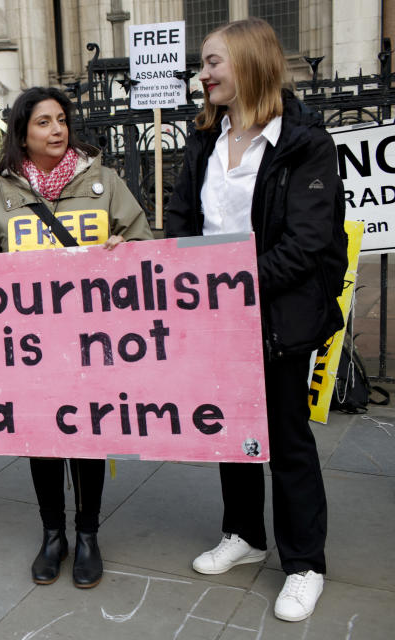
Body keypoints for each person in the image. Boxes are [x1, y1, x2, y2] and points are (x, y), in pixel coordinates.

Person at [165, 18, 344, 622]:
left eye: (213, 62)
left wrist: (229, 283)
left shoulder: (303, 144)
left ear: (248, 64)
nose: (203, 74)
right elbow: (184, 220)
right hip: (212, 314)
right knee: (229, 430)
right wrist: (188, 279)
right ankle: (243, 534)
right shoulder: (205, 139)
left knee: (287, 440)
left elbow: (309, 241)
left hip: (275, 316)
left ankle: (305, 564)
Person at [0, 87, 152, 589]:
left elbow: (144, 246)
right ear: (22, 134)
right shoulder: (0, 197)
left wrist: (122, 248)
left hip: (92, 346)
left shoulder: (104, 182)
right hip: (29, 352)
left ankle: (87, 534)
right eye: (44, 122)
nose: (56, 129)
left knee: (90, 438)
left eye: (62, 120)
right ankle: (53, 535)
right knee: (42, 441)